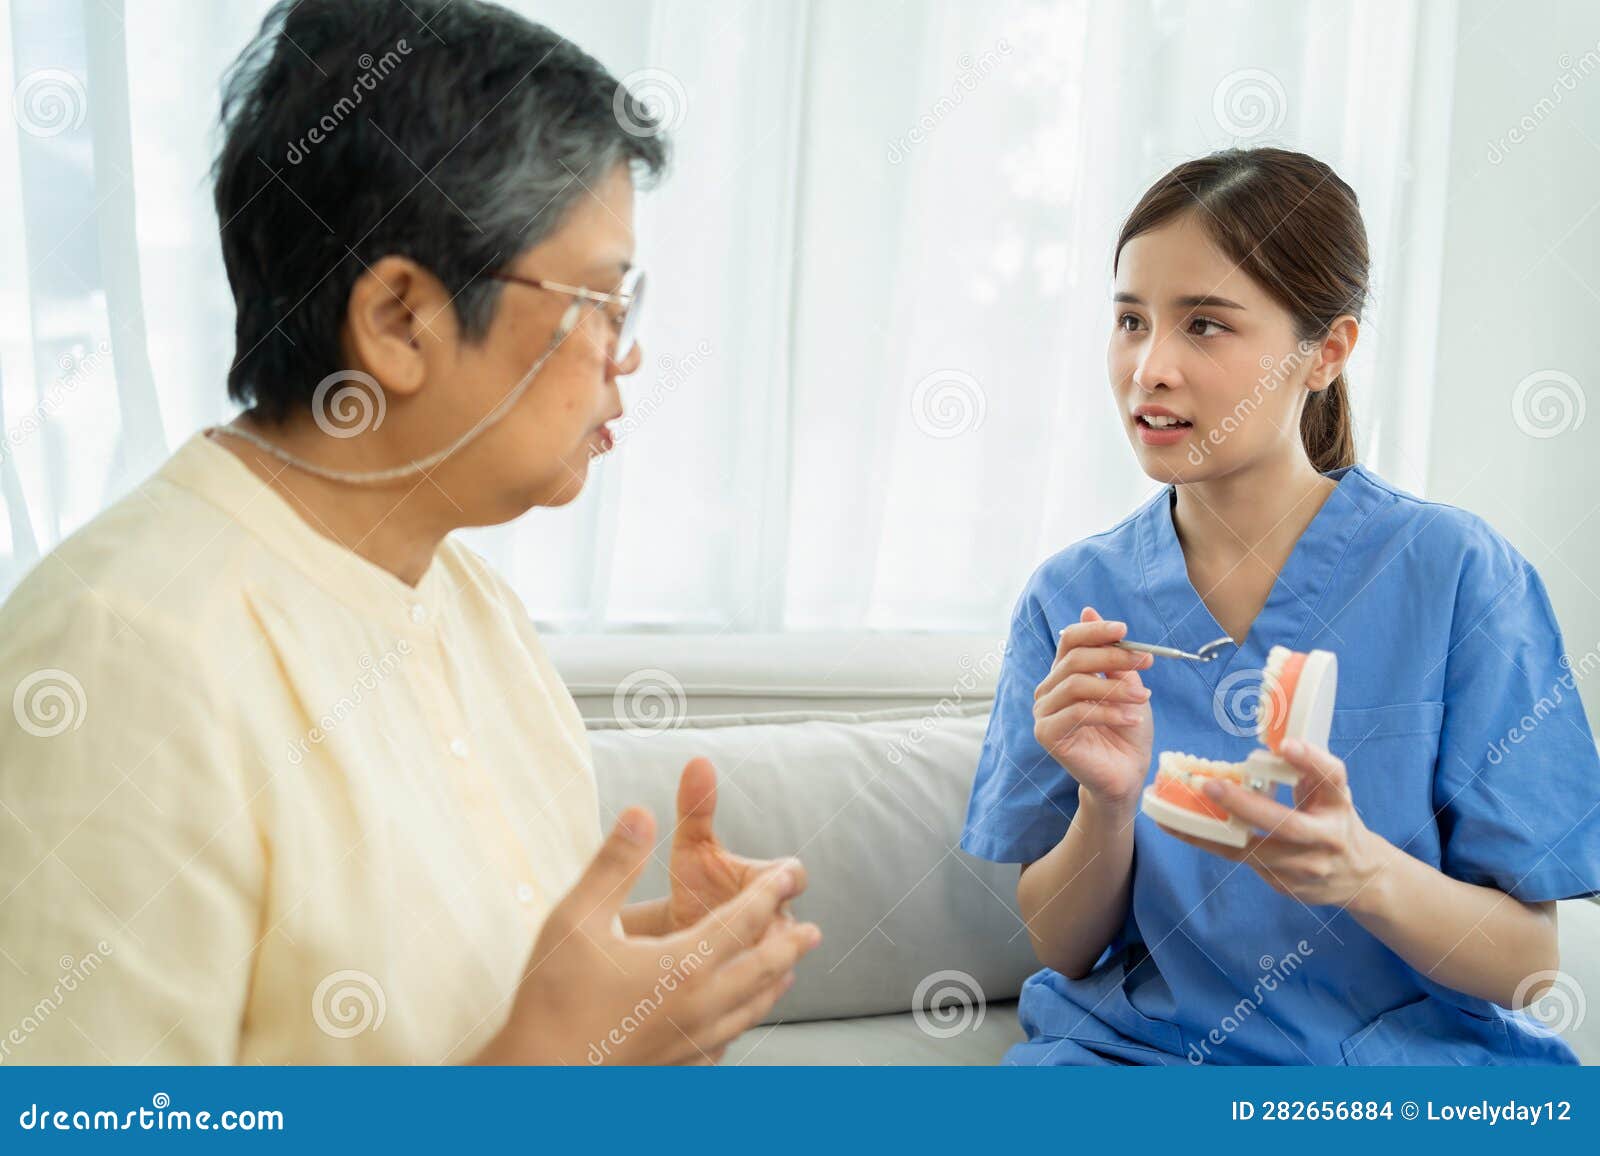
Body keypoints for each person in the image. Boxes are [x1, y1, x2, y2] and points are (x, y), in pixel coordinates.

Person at [0, 0, 819, 1065]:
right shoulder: (122, 651)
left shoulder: (473, 606)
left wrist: (649, 980)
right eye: (602, 303)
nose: (627, 358)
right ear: (398, 319)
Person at [961, 147, 1600, 1065]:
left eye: (1205, 326)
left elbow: (1530, 967)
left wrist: (1363, 870)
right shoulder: (1074, 600)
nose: (1150, 368)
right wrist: (1106, 805)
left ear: (1325, 352)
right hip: (1132, 1067)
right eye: (1131, 320)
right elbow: (1060, 947)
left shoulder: (1456, 575)